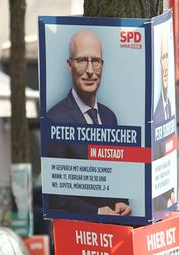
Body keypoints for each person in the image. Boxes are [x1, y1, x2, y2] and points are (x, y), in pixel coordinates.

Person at [43, 30, 130, 216]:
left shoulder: (110, 118)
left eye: (95, 61)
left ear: (102, 66)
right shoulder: (55, 120)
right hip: (78, 231)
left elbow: (116, 174)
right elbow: (55, 196)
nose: (90, 70)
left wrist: (122, 201)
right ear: (70, 65)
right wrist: (96, 212)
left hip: (113, 228)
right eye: (82, 60)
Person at [153, 29, 174, 125]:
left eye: (166, 57)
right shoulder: (157, 114)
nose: (165, 68)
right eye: (163, 57)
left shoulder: (168, 103)